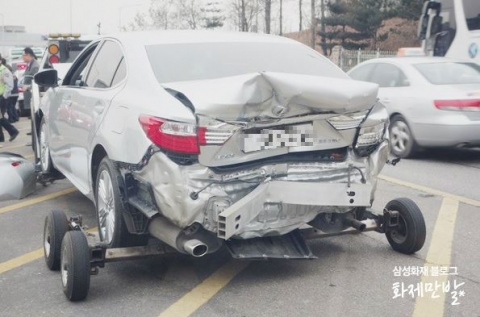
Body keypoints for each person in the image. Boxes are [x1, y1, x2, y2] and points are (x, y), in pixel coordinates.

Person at [0, 55, 19, 148]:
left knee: (1, 117)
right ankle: (5, 135)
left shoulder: (4, 71)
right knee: (0, 117)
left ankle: (13, 131)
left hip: (2, 97)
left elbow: (9, 85)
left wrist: (4, 96)